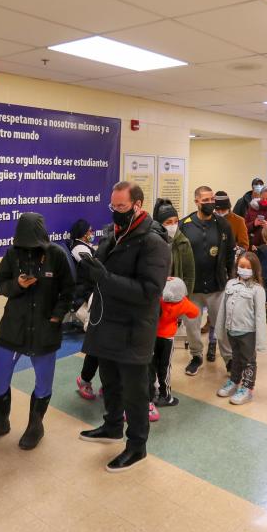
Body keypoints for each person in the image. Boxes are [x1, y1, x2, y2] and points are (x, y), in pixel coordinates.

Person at [78, 181, 170, 473]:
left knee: (134, 390)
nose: (116, 212)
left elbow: (148, 291)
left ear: (137, 205)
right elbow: (103, 268)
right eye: (112, 206)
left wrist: (103, 277)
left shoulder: (153, 242)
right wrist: (89, 265)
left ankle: (136, 446)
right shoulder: (114, 234)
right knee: (111, 382)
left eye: (121, 207)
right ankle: (112, 426)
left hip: (133, 327)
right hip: (106, 322)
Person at [0, 212, 74, 451]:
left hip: (45, 329)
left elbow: (69, 290)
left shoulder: (57, 255)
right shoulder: (12, 254)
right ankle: (0, 422)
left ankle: (35, 426)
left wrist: (57, 315)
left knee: (43, 383)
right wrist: (17, 285)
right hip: (13, 328)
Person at [181, 186, 235, 374]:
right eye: (205, 200)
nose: (210, 203)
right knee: (192, 326)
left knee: (222, 325)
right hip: (192, 288)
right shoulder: (184, 225)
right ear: (196, 201)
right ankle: (196, 356)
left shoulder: (223, 225)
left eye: (212, 199)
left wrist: (232, 280)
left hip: (217, 286)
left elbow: (230, 254)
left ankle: (229, 359)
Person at [214, 252, 267, 406]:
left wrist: (260, 341)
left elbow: (260, 317)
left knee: (249, 360)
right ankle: (234, 381)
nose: (243, 269)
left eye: (248, 267)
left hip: (247, 332)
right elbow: (223, 309)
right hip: (232, 330)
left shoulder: (258, 290)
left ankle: (247, 389)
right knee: (235, 356)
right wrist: (220, 329)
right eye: (241, 266)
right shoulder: (230, 284)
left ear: (254, 269)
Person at [150, 277, 199, 415]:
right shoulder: (183, 303)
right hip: (168, 339)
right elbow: (194, 312)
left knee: (152, 365)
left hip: (153, 336)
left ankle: (152, 391)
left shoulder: (158, 299)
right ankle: (165, 396)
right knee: (165, 367)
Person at [70, 220, 102, 400]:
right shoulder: (78, 248)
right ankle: (85, 380)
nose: (92, 232)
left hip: (93, 290)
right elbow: (93, 267)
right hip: (85, 293)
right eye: (89, 230)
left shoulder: (86, 246)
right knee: (97, 344)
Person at [154, 198, 195, 294]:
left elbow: (189, 275)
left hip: (176, 296)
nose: (173, 225)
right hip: (155, 295)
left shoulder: (183, 242)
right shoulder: (151, 241)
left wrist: (185, 297)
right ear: (159, 224)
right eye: (168, 222)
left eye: (176, 221)